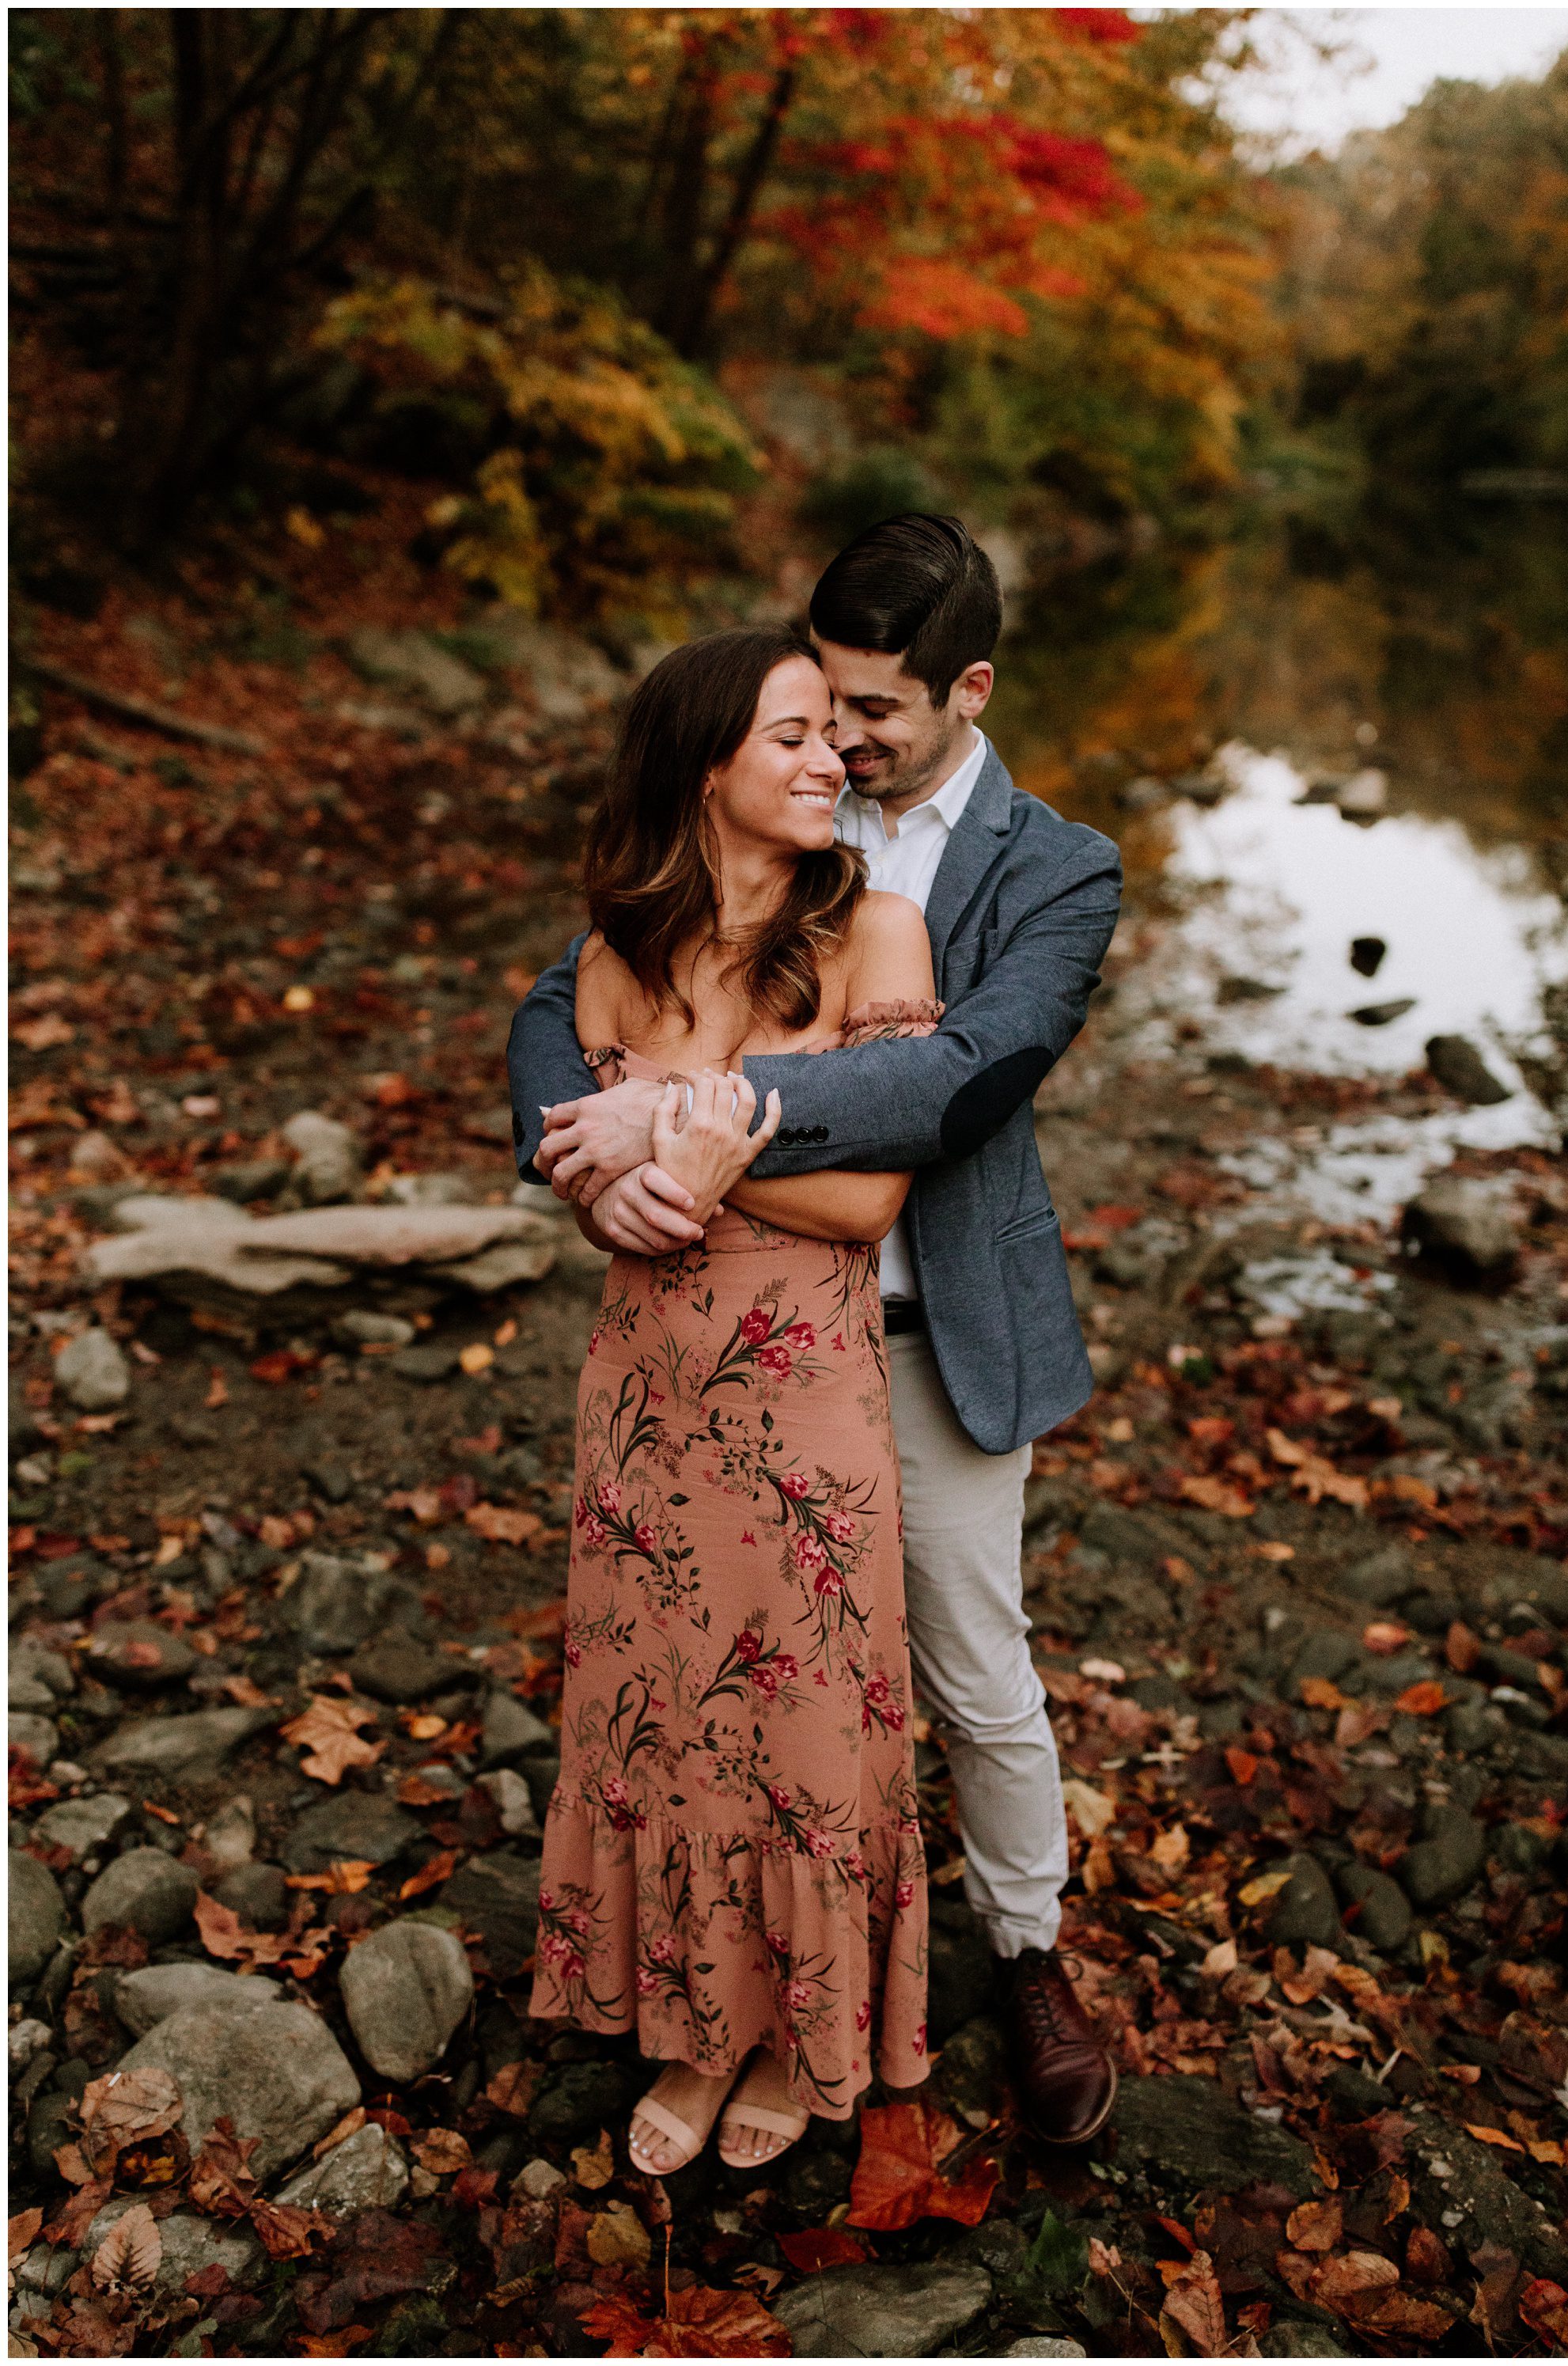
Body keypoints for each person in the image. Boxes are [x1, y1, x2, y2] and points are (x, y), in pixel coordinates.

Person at [512, 514, 1124, 2147]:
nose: (843, 741)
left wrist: (679, 1119)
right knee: (712, 1689)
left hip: (932, 1331)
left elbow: (941, 1087)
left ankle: (1026, 1949)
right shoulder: (766, 786)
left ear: (964, 690)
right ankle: (715, 1995)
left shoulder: (1054, 867)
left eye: (874, 712)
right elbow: (549, 1002)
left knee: (966, 1673)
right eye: (820, 703)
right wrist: (580, 1154)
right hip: (702, 1350)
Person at [525, 622, 943, 2175]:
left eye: (834, 732)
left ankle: (789, 2029)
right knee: (657, 1718)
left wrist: (695, 1157)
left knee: (802, 1722)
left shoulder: (877, 936)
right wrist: (611, 1196)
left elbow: (875, 1199)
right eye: (789, 734)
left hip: (807, 1404)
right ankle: (692, 2029)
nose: (830, 756)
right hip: (645, 1400)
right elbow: (585, 1179)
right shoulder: (612, 957)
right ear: (700, 761)